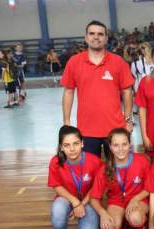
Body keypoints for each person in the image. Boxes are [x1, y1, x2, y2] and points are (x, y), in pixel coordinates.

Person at [61, 20, 134, 158]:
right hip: (86, 130)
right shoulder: (74, 62)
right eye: (92, 33)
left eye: (100, 34)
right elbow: (68, 92)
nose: (96, 37)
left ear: (106, 38)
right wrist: (66, 121)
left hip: (115, 129)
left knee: (117, 171)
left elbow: (127, 92)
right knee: (89, 173)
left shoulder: (118, 62)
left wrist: (128, 120)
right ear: (86, 37)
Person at [48, 125, 102, 229]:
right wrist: (74, 202)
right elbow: (56, 186)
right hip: (67, 199)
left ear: (82, 143)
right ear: (61, 147)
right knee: (58, 210)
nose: (72, 149)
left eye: (76, 144)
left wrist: (82, 204)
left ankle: (85, 218)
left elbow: (97, 187)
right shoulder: (55, 162)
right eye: (67, 145)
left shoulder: (94, 161)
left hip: (88, 201)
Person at [90, 128, 150, 229]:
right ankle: (124, 222)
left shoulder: (142, 160)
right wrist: (103, 214)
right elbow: (94, 199)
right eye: (116, 145)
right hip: (117, 201)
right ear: (110, 147)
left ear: (130, 144)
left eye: (124, 144)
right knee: (109, 228)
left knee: (135, 218)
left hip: (139, 199)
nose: (121, 149)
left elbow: (150, 187)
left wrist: (135, 199)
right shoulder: (104, 169)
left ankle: (140, 225)